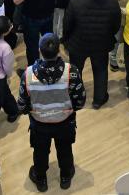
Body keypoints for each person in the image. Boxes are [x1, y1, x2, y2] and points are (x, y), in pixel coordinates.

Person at [18, 33, 86, 192]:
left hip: (39, 124)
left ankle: (41, 179)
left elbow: (21, 105)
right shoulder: (71, 71)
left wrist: (31, 110)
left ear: (40, 51)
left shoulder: (28, 74)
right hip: (65, 122)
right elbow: (80, 100)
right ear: (59, 50)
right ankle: (65, 177)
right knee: (65, 149)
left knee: (40, 152)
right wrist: (69, 110)